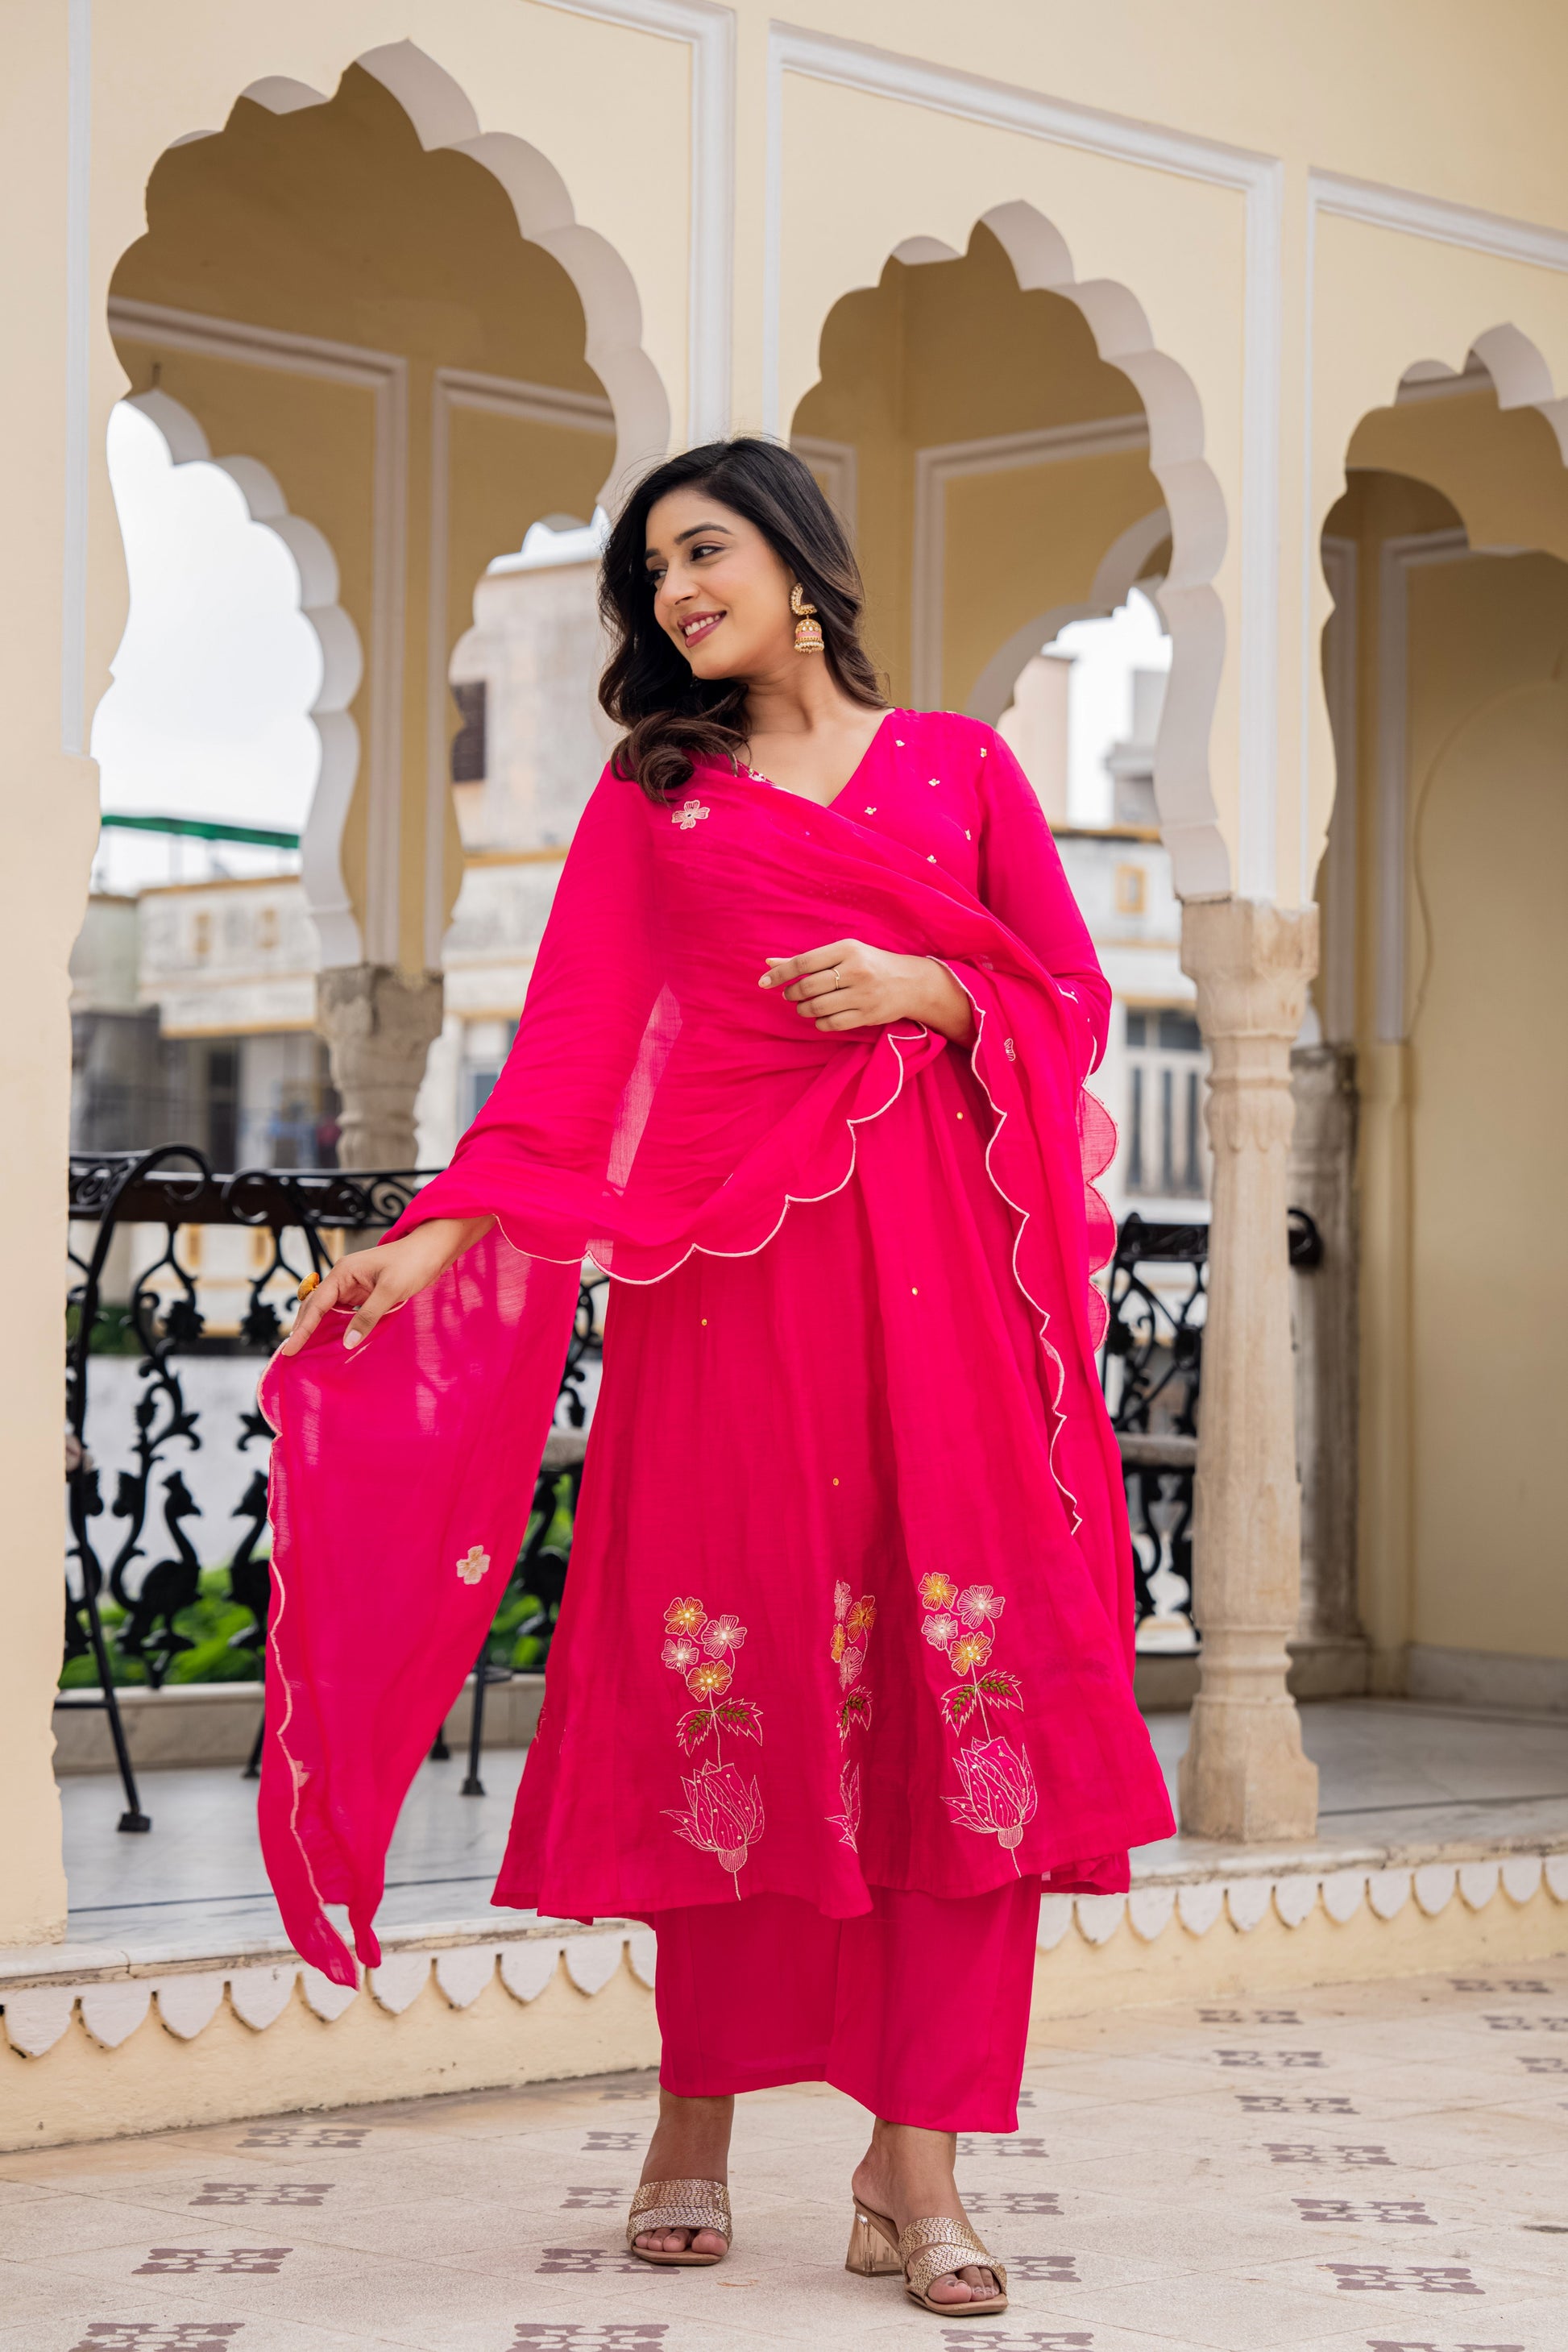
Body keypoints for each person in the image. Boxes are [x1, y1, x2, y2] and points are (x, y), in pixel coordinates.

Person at [269, 438, 1175, 2316]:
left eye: (703, 549)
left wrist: (935, 992)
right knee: (734, 1674)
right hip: (729, 1292)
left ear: (795, 557)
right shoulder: (657, 793)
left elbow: (1067, 1002)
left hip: (942, 1301)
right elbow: (565, 1060)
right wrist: (424, 1239)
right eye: (650, 574)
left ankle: (910, 2163)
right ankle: (693, 2120)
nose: (677, 591)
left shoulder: (960, 763)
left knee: (954, 1692)